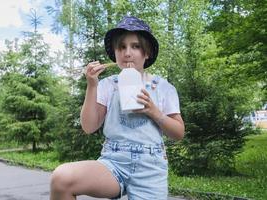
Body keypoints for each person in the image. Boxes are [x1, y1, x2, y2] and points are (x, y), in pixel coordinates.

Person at [50, 16, 185, 200]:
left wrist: (154, 112)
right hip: (114, 162)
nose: (127, 53)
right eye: (121, 47)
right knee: (62, 178)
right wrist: (92, 85)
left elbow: (178, 133)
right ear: (115, 53)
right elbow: (89, 127)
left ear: (147, 53)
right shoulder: (107, 85)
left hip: (150, 168)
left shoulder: (163, 87)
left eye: (135, 46)